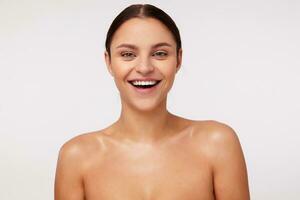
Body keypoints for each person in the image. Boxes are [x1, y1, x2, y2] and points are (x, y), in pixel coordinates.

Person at [54, 4, 250, 200]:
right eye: (128, 54)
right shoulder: (77, 157)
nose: (145, 67)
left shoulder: (217, 144)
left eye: (160, 53)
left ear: (178, 60)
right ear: (109, 62)